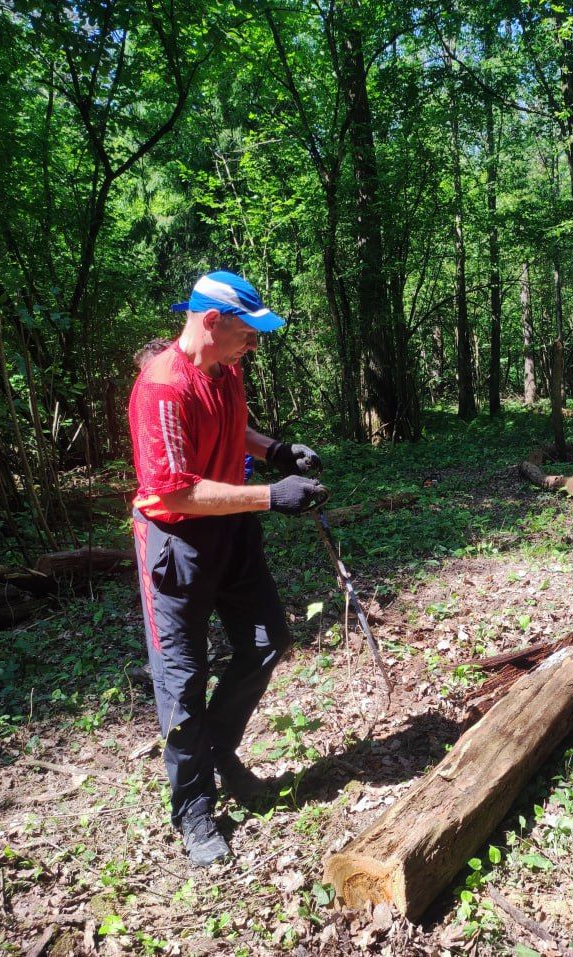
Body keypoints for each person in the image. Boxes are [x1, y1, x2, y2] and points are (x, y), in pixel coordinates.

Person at [128, 270, 327, 866]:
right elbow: (179, 491)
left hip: (233, 534)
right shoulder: (163, 386)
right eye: (248, 332)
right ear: (211, 323)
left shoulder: (225, 369)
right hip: (176, 544)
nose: (254, 345)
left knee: (268, 642)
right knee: (181, 683)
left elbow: (231, 429)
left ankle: (217, 749)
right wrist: (272, 493)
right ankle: (193, 809)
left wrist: (272, 451)